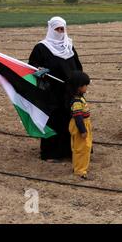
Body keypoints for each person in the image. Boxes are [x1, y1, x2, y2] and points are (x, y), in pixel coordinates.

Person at [29, 17, 83, 162]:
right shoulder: (41, 48)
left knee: (72, 120)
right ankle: (52, 154)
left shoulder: (69, 47)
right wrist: (40, 72)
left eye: (62, 29)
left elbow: (78, 67)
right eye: (57, 29)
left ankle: (72, 152)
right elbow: (32, 68)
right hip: (52, 93)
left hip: (69, 92)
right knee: (54, 121)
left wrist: (79, 84)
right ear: (51, 29)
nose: (60, 32)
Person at [68, 71, 92, 179]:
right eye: (85, 85)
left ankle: (78, 167)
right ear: (78, 87)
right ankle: (80, 171)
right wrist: (82, 130)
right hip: (80, 125)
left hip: (84, 123)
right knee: (82, 148)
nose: (86, 87)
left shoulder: (79, 98)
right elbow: (78, 118)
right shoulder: (77, 101)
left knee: (82, 147)